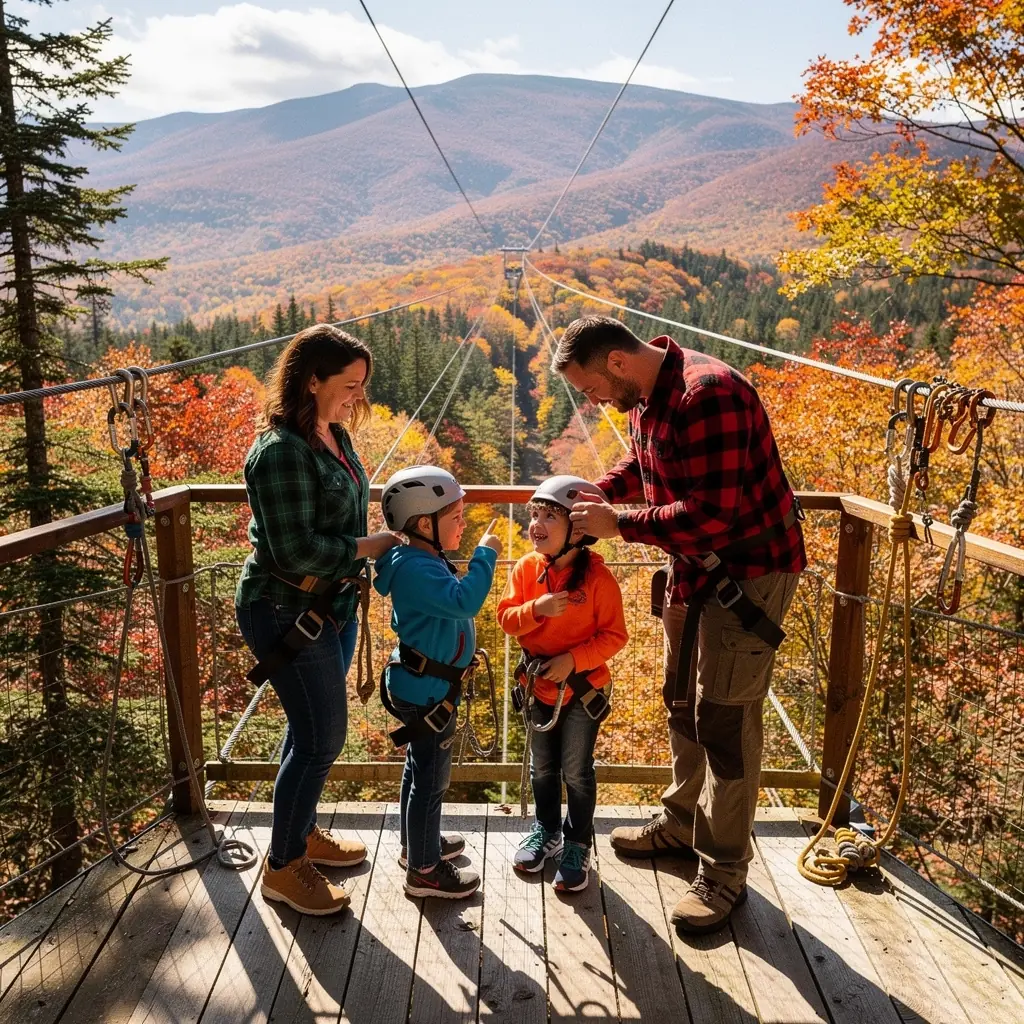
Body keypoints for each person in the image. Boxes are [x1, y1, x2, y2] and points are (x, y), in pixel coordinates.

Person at [555, 315, 806, 934]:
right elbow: (647, 470)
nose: (592, 402)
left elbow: (710, 516)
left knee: (724, 717)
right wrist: (592, 493)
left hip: (745, 575)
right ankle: (682, 821)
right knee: (682, 702)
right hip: (694, 572)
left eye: (589, 388)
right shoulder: (649, 395)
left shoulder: (708, 394)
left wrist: (621, 525)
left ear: (616, 362)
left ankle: (724, 871)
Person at [236, 324, 403, 917]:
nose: (358, 396)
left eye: (362, 385)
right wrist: (371, 546)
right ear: (313, 380)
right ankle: (283, 867)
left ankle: (299, 832)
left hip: (327, 606)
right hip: (284, 606)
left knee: (305, 731)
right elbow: (293, 551)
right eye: (350, 384)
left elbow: (343, 513)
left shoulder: (331, 433)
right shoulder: (280, 451)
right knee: (322, 738)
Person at [374, 466, 503, 899]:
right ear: (424, 523)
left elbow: (442, 619)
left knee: (419, 769)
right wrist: (486, 555)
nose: (464, 524)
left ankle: (418, 847)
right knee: (432, 780)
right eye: (456, 516)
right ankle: (426, 872)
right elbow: (464, 599)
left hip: (422, 683)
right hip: (429, 692)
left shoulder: (419, 559)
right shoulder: (417, 569)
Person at [497, 476, 628, 891]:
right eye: (534, 514)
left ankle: (576, 842)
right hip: (539, 686)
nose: (536, 524)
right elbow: (506, 618)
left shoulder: (598, 582)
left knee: (576, 770)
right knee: (542, 768)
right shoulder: (526, 570)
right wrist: (536, 608)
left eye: (549, 516)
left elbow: (615, 636)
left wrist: (573, 659)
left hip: (581, 689)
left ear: (578, 531)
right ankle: (547, 830)